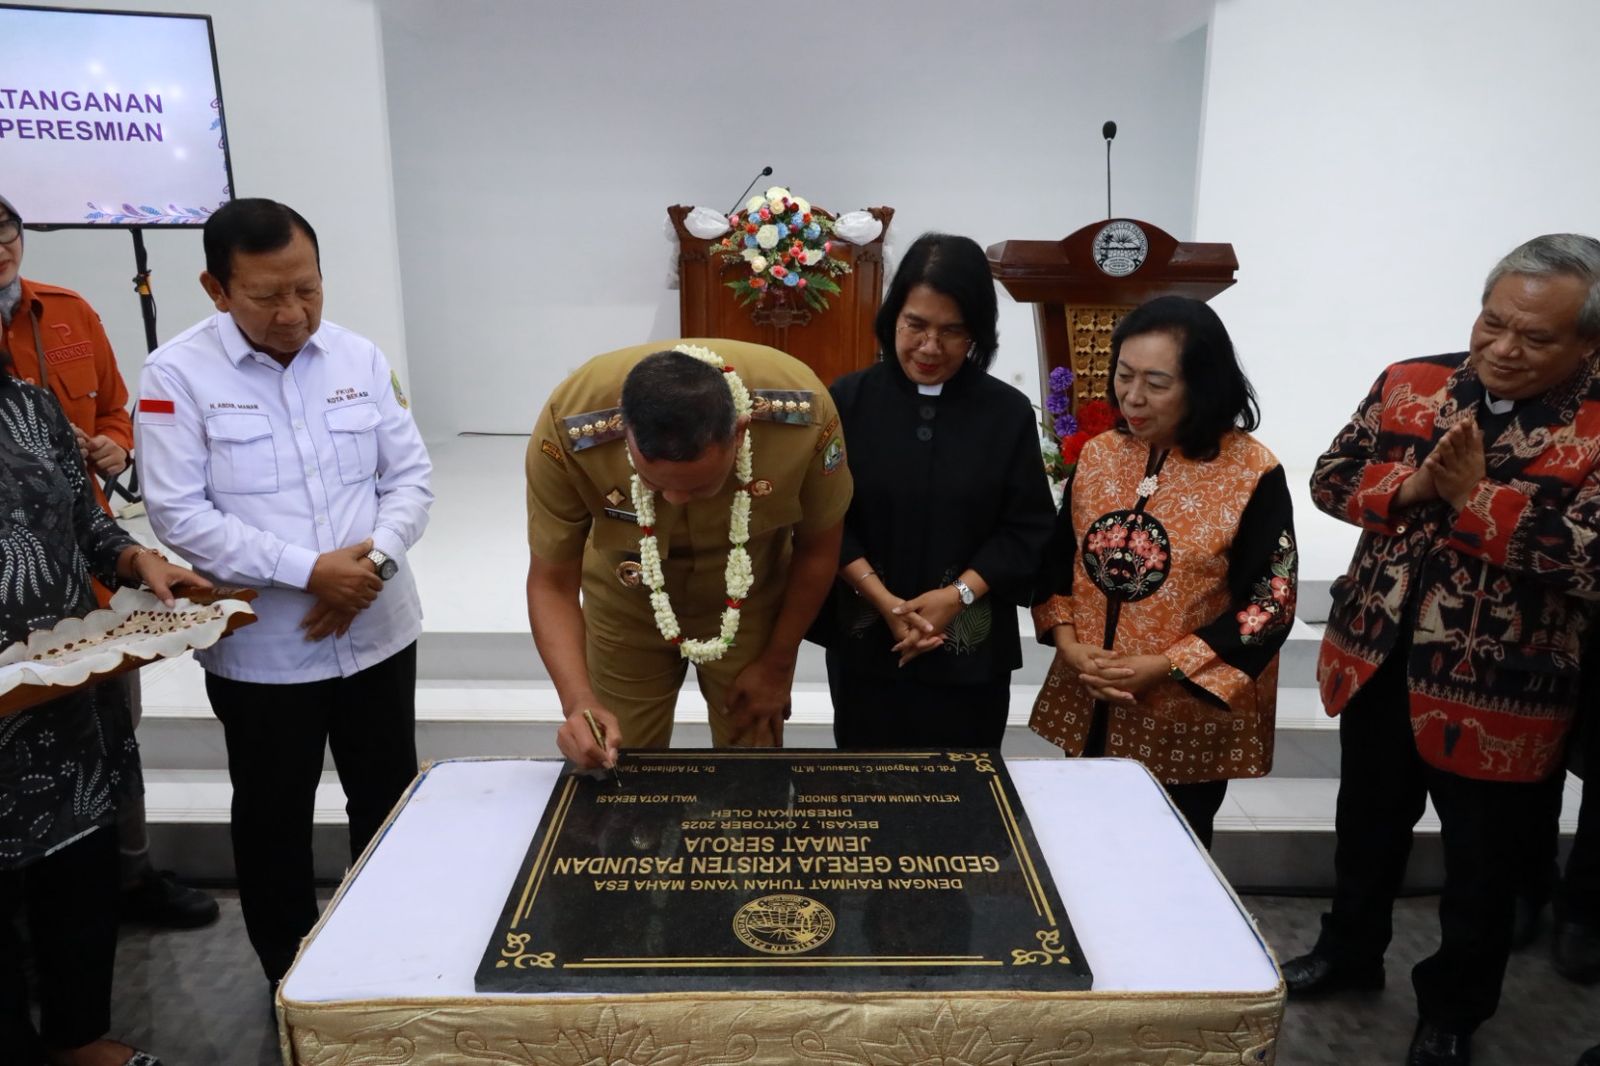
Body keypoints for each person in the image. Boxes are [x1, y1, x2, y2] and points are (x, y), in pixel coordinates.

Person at [1282, 234, 1600, 1066]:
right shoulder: (1411, 382)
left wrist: (1476, 500)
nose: (1504, 347)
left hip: (1503, 689)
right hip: (1376, 656)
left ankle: (1454, 1011)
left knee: (1482, 870)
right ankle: (1349, 952)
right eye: (1493, 322)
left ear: (1587, 344)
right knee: (1366, 829)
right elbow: (1329, 477)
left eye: (1535, 337)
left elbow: (1592, 558)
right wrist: (1416, 487)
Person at [135, 198, 433, 989]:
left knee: (387, 801)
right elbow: (179, 513)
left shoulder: (358, 358)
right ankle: (292, 980)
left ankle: (389, 963)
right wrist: (310, 572)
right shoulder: (176, 375)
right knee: (273, 819)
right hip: (266, 652)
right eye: (266, 296)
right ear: (216, 288)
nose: (292, 313)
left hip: (378, 632)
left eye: (307, 289)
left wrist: (372, 567)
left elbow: (409, 480)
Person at [0, 192, 217, 928]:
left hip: (81, 610)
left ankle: (126, 880)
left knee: (105, 750)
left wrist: (134, 546)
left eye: (6, 229)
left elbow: (105, 441)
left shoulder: (55, 341)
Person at [0, 353, 210, 1062]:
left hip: (64, 701)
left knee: (78, 877)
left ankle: (81, 1039)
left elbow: (88, 524)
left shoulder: (30, 407)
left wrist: (137, 560)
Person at [1029, 296, 1296, 849]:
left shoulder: (1252, 472)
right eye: (1124, 375)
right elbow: (1056, 561)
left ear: (1202, 385)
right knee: (1084, 847)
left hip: (1182, 717)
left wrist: (1167, 665)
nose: (1133, 396)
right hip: (1090, 696)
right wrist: (1068, 643)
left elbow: (1270, 602)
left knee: (1169, 856)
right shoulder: (1100, 454)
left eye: (1156, 383)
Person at [525, 339, 851, 767]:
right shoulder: (569, 423)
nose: (676, 499)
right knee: (620, 759)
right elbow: (551, 583)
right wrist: (578, 702)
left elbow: (818, 549)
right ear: (625, 431)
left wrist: (777, 664)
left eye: (700, 486)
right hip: (626, 598)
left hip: (747, 596)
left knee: (751, 765)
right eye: (654, 484)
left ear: (740, 432)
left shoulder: (802, 415)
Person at [818, 233, 1053, 746]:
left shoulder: (1006, 413)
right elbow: (826, 517)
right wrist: (885, 602)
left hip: (970, 654)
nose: (929, 347)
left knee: (965, 784)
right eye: (916, 325)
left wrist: (957, 595)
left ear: (977, 334)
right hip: (868, 644)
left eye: (952, 331)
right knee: (865, 780)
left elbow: (1026, 526)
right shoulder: (848, 400)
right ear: (892, 318)